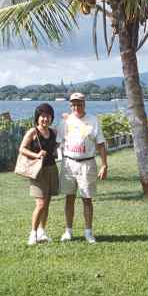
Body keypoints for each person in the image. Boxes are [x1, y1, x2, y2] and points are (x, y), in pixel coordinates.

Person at [57, 92, 108, 244]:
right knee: (69, 198)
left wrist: (104, 164)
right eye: (73, 104)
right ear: (70, 105)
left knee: (87, 199)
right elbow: (58, 141)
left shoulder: (93, 120)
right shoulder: (64, 122)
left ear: (84, 104)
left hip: (87, 163)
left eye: (79, 103)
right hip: (68, 163)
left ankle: (88, 232)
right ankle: (68, 231)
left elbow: (100, 144)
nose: (76, 106)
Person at [19, 103, 59, 246]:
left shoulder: (53, 132)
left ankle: (42, 232)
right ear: (37, 117)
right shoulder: (33, 132)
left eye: (48, 116)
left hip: (51, 169)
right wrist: (36, 155)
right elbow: (22, 149)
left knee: (47, 204)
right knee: (40, 204)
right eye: (42, 116)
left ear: (51, 118)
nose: (45, 119)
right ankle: (33, 234)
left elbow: (57, 146)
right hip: (38, 172)